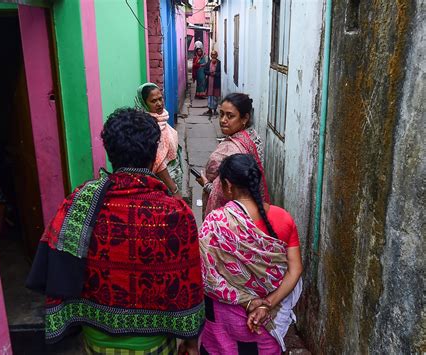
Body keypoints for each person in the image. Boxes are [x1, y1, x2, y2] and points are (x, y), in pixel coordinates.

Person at [26, 108, 204, 354]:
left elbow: (56, 260)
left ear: (110, 153)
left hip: (95, 338)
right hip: (154, 342)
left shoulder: (79, 201)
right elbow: (189, 278)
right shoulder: (176, 213)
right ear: (154, 154)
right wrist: (191, 339)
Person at [198, 153, 303, 354]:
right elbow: (295, 269)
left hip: (225, 321)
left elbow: (205, 274)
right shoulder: (283, 218)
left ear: (228, 185)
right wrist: (266, 305)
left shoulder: (215, 222)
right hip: (265, 321)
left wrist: (248, 302)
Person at [196, 93, 269, 217]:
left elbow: (222, 192)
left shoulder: (229, 150)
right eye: (221, 114)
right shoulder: (253, 137)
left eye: (230, 116)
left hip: (232, 216)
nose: (223, 120)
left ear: (245, 118)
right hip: (252, 208)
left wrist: (206, 184)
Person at [135, 83, 183, 198]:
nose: (159, 104)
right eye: (153, 101)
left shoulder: (161, 118)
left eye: (160, 98)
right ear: (143, 103)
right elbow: (158, 161)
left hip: (173, 176)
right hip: (162, 183)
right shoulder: (146, 126)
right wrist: (174, 189)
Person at [203, 50, 221, 116]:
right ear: (211, 55)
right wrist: (210, 73)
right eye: (212, 55)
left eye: (215, 55)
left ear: (217, 55)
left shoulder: (219, 63)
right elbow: (205, 71)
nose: (213, 56)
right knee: (210, 96)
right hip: (210, 82)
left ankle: (215, 110)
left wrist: (215, 74)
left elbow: (220, 73)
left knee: (215, 96)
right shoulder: (208, 63)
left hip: (216, 82)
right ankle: (210, 109)